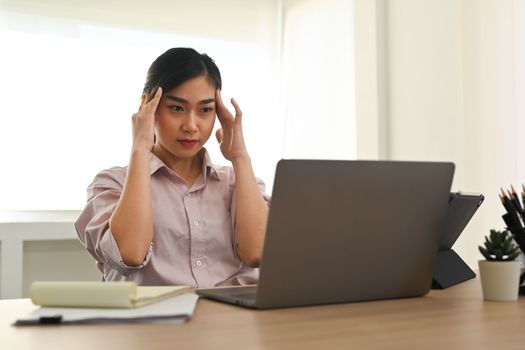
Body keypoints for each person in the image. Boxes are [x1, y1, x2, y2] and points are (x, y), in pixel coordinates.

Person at [75, 48, 270, 288]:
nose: (191, 126)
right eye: (177, 108)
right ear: (148, 105)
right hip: (151, 322)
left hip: (229, 320)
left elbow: (258, 254)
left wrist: (240, 157)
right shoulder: (113, 183)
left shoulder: (236, 182)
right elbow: (130, 254)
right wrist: (140, 148)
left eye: (205, 110)